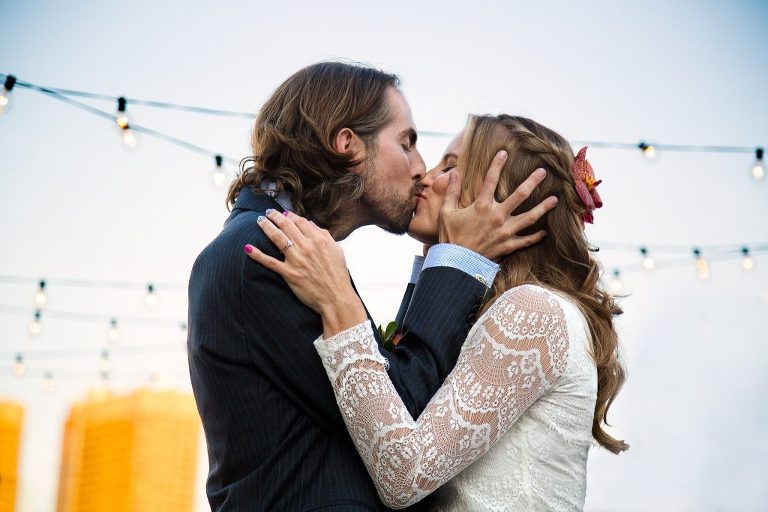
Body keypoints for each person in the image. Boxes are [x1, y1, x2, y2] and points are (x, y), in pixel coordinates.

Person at [187, 63, 557, 511]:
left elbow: (373, 381)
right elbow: (401, 412)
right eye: (407, 144)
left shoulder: (289, 243)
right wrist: (459, 258)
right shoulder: (269, 249)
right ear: (348, 145)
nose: (422, 170)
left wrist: (438, 261)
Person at [245, 114, 629, 511]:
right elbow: (404, 397)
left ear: (501, 195)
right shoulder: (499, 308)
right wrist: (442, 260)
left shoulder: (533, 311)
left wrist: (339, 304)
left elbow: (404, 474)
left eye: (449, 166)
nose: (424, 177)